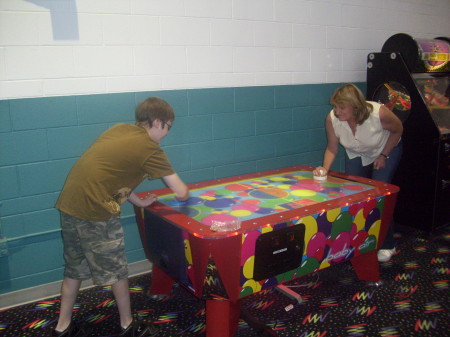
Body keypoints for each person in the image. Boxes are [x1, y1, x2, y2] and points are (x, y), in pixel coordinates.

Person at [52, 97, 189, 337]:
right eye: (168, 127)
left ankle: (62, 327)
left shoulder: (119, 130)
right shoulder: (150, 148)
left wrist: (137, 200)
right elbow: (181, 191)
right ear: (157, 122)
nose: (167, 133)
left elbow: (110, 173)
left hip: (70, 204)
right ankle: (128, 325)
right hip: (96, 211)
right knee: (118, 272)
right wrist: (188, 195)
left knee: (74, 267)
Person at [313, 84, 403, 263]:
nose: (337, 111)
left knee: (380, 195)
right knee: (355, 195)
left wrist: (384, 154)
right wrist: (325, 169)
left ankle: (388, 244)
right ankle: (359, 240)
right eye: (335, 107)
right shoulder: (332, 119)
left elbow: (398, 130)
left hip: (385, 149)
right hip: (357, 152)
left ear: (355, 106)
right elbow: (332, 148)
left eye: (341, 107)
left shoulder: (379, 114)